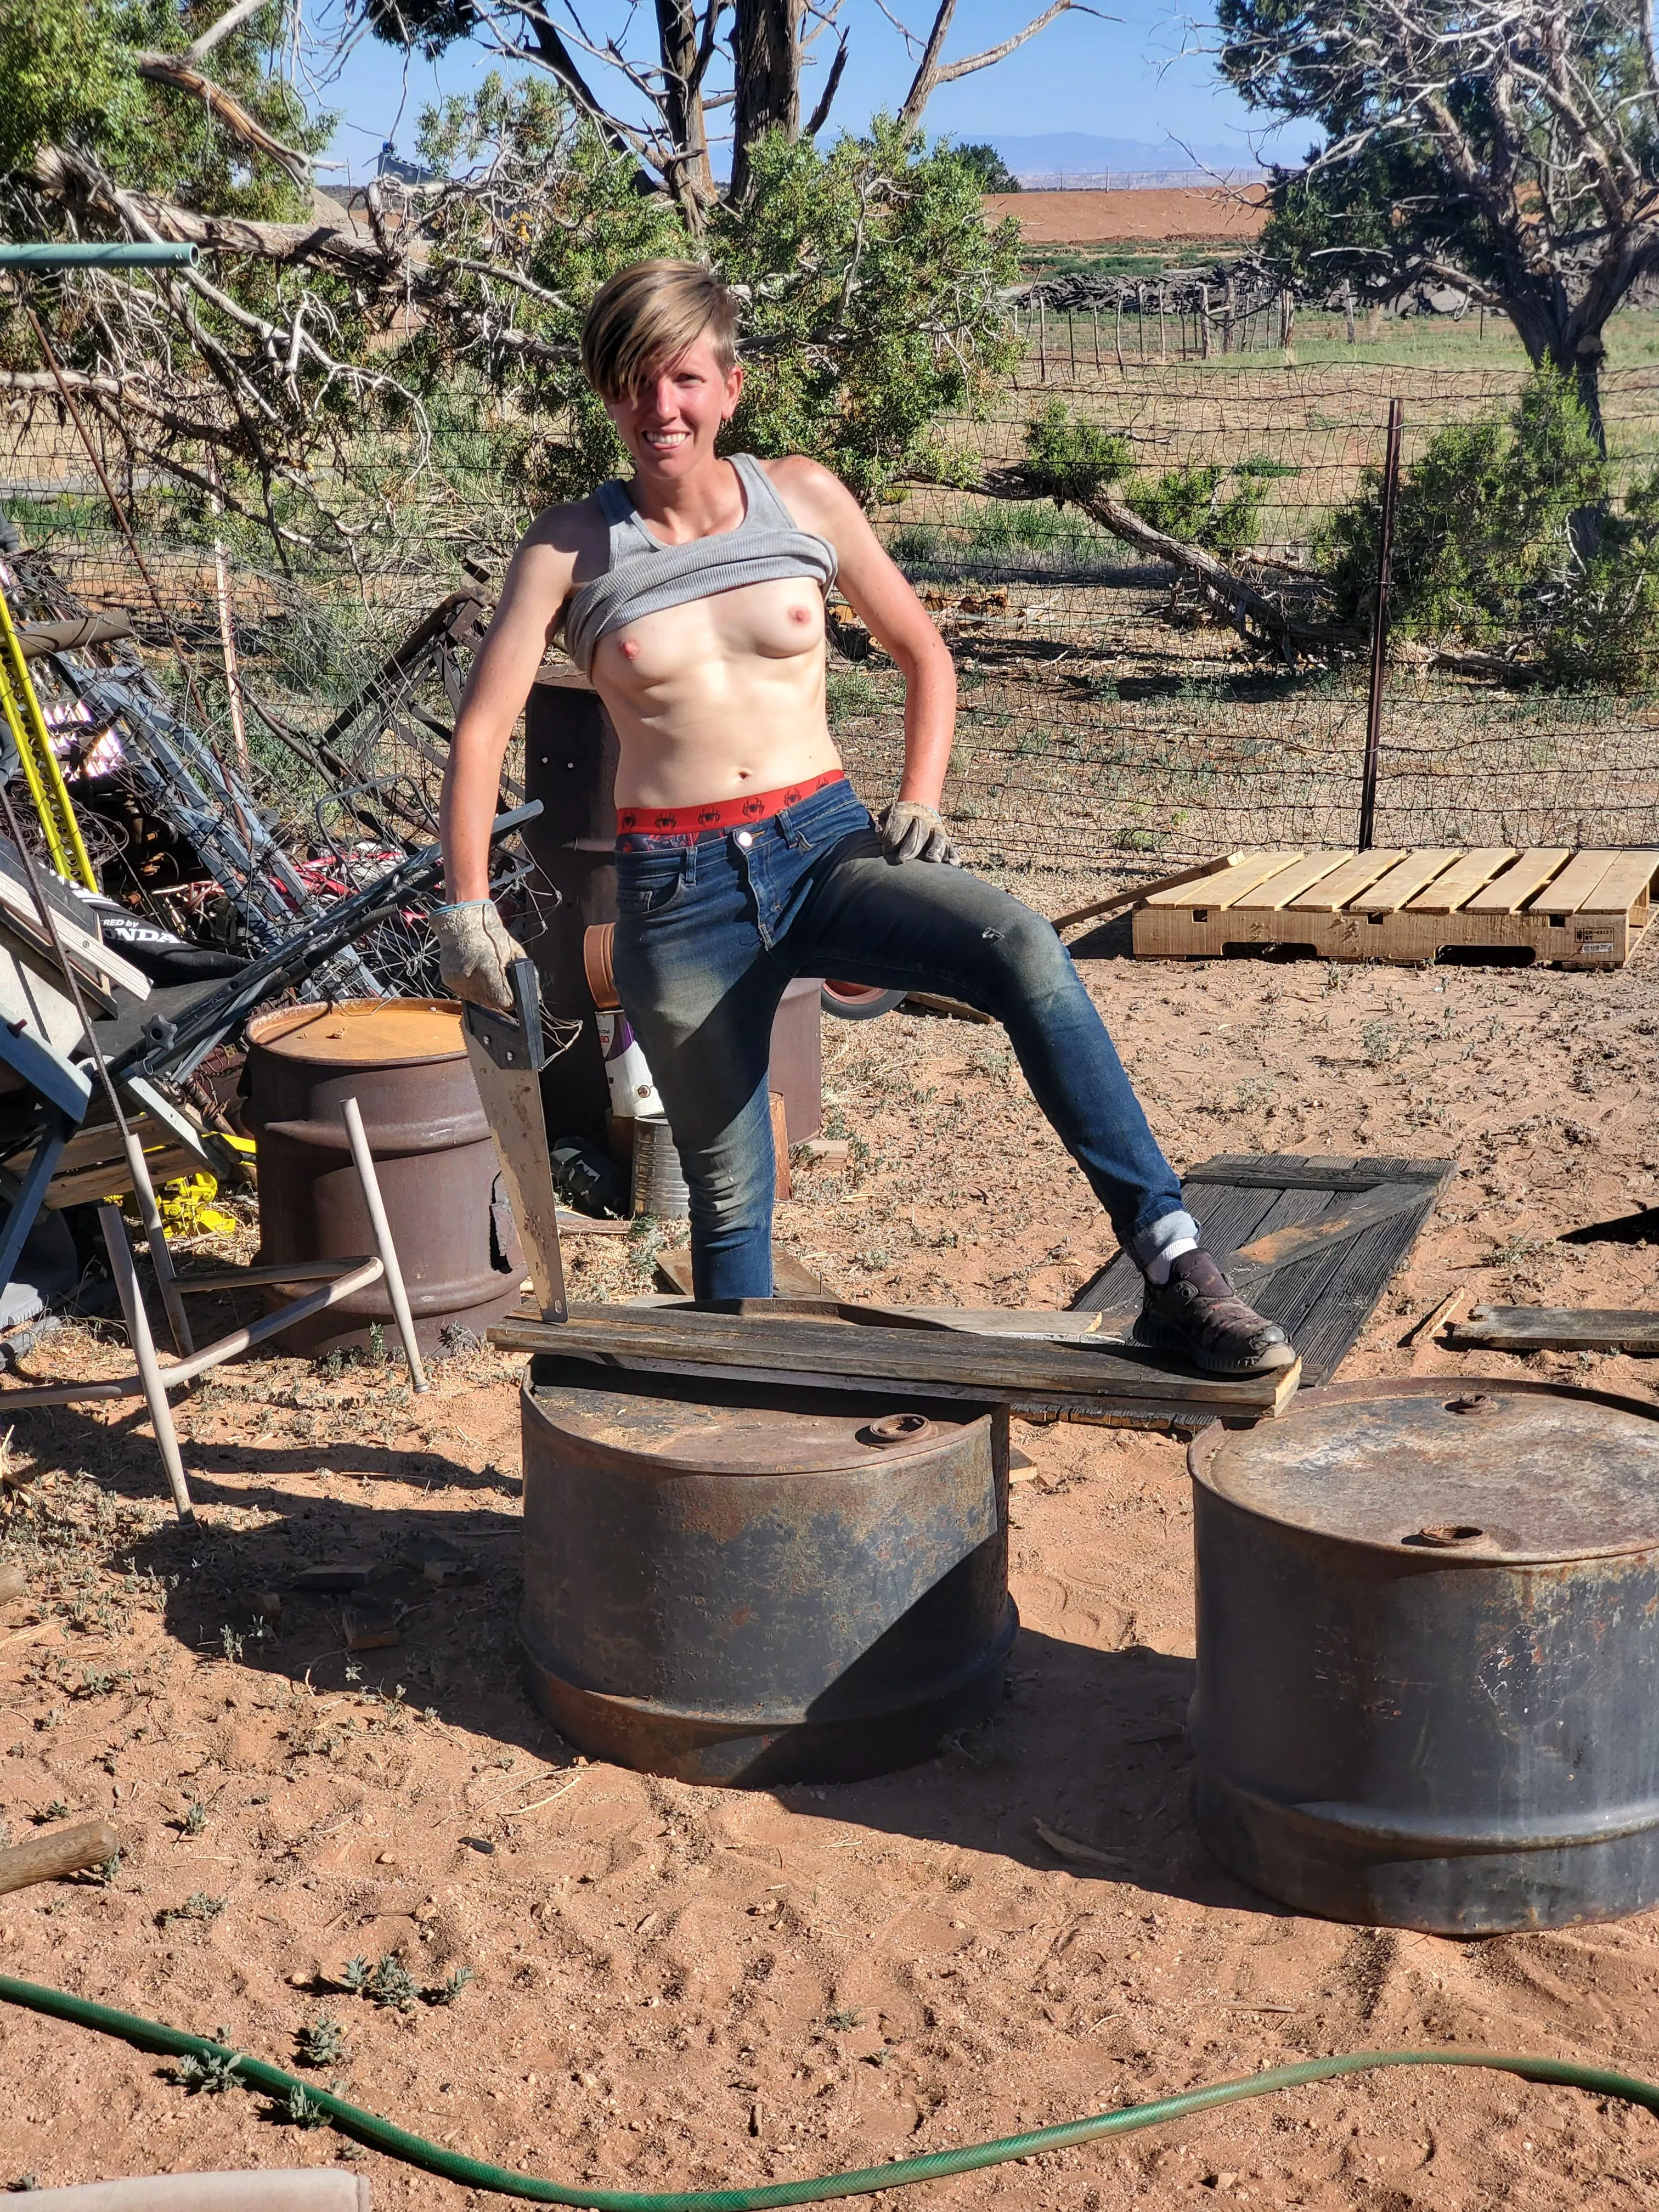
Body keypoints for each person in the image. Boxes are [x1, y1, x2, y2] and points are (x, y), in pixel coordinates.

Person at [435, 258, 1293, 1376]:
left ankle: (1177, 1267)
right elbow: (482, 731)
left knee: (1024, 949)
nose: (661, 409)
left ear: (729, 389)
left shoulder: (805, 497)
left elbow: (924, 654)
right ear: (609, 397)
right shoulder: (569, 548)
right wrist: (467, 911)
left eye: (684, 380)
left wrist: (922, 796)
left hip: (825, 848)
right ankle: (744, 1442)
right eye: (634, 384)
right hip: (676, 896)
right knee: (734, 1194)